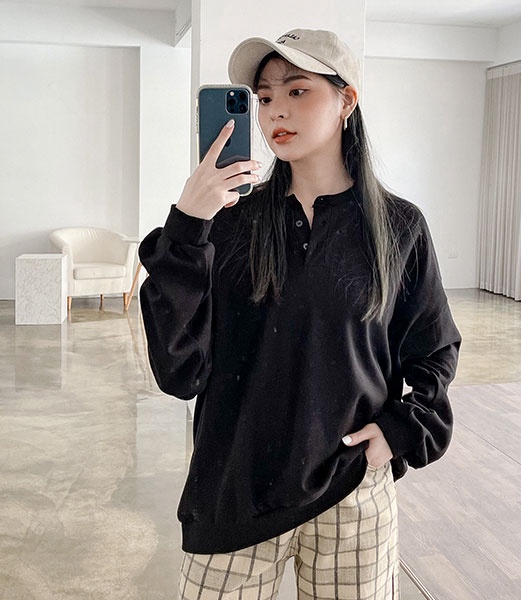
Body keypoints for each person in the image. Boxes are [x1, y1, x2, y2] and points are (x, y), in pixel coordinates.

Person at [139, 28, 461, 600]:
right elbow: (178, 371)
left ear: (346, 100)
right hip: (234, 493)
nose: (275, 112)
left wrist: (398, 432)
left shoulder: (398, 227)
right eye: (263, 97)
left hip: (352, 494)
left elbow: (434, 349)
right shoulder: (227, 225)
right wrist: (188, 224)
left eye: (297, 91)